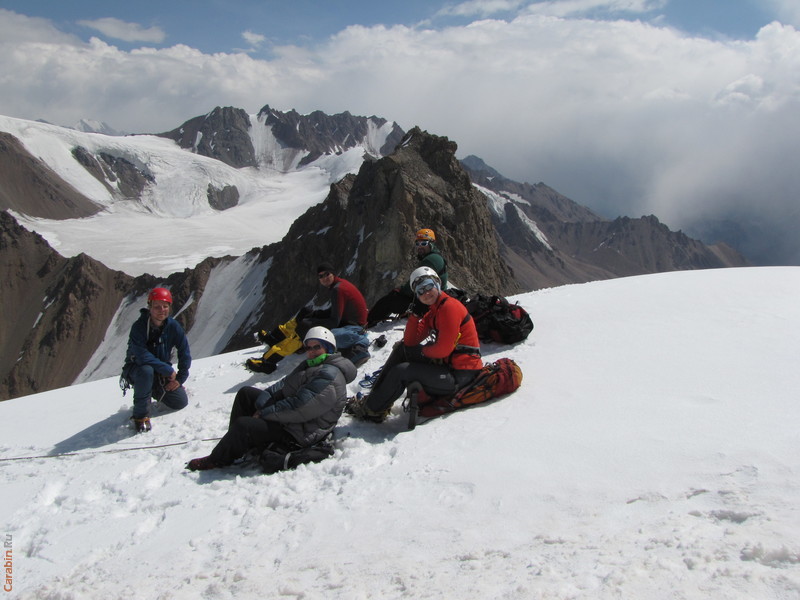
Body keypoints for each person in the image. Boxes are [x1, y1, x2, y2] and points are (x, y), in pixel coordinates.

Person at [188, 327, 356, 471]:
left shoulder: (329, 376)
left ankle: (216, 460)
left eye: (316, 347)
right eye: (308, 347)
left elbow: (299, 408)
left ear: (329, 348)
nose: (311, 351)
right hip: (292, 421)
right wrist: (263, 403)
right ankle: (238, 444)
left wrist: (263, 414)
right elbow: (281, 386)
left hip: (299, 432)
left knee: (244, 425)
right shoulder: (311, 366)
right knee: (246, 395)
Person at [346, 266, 482, 423]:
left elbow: (443, 350)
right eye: (420, 291)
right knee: (402, 349)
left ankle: (371, 410)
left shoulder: (449, 308)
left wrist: (422, 353)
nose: (426, 293)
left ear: (437, 283)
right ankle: (375, 398)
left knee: (402, 371)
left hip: (461, 375)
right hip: (449, 365)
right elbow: (410, 341)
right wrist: (415, 315)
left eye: (429, 286)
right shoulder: (434, 310)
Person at [247, 264, 371, 373]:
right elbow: (337, 311)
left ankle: (268, 361)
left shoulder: (338, 290)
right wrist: (314, 315)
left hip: (353, 327)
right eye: (320, 276)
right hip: (348, 322)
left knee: (306, 327)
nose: (324, 278)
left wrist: (312, 323)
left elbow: (334, 321)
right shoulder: (339, 286)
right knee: (306, 313)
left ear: (333, 273)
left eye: (326, 274)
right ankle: (276, 337)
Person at [122, 287, 191, 433]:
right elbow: (141, 355)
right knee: (146, 371)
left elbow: (184, 351)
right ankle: (140, 416)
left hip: (159, 372)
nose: (162, 310)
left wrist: (180, 379)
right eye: (157, 306)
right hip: (137, 369)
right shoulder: (139, 327)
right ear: (150, 307)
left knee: (180, 401)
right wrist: (167, 369)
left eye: (165, 306)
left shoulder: (173, 326)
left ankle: (152, 389)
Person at [367, 228, 449, 327]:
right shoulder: (435, 257)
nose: (420, 247)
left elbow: (417, 284)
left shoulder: (430, 260)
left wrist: (401, 291)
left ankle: (369, 322)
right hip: (434, 300)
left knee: (389, 300)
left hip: (429, 303)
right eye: (418, 244)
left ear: (431, 244)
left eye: (423, 243)